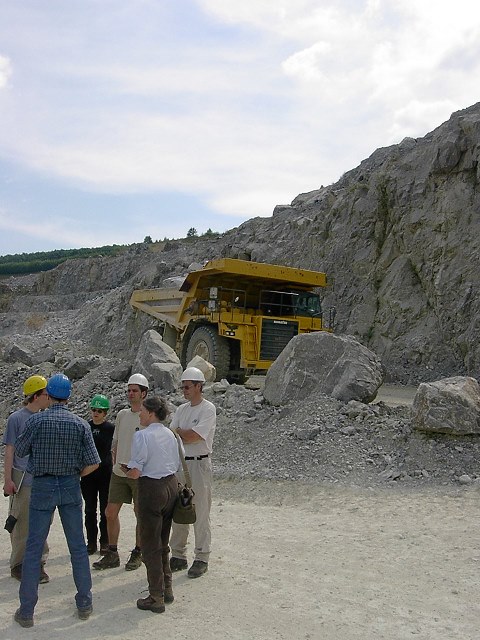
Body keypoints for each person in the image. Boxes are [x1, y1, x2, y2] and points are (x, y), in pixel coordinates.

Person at [13, 373, 100, 628]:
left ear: (48, 395)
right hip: (70, 485)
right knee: (77, 547)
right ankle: (84, 602)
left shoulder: (35, 422)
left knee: (33, 547)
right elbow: (94, 462)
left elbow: (19, 451)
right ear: (69, 397)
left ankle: (27, 611)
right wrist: (75, 474)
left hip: (42, 485)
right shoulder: (80, 424)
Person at [122, 396, 181, 613]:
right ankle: (166, 587)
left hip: (152, 488)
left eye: (143, 411)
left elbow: (136, 470)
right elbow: (175, 462)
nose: (139, 413)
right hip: (171, 485)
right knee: (162, 541)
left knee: (149, 544)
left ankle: (156, 596)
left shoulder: (142, 436)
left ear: (151, 413)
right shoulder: (170, 434)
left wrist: (126, 470)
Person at [93, 373, 149, 571]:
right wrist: (117, 463)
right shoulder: (123, 415)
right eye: (129, 390)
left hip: (139, 474)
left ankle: (138, 552)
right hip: (119, 472)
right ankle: (112, 553)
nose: (130, 394)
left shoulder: (148, 417)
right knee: (110, 512)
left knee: (140, 513)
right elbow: (115, 442)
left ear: (144, 393)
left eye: (134, 390)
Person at [2, 375, 51, 584]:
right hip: (22, 478)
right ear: (36, 396)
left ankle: (38, 561)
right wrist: (7, 480)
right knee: (21, 523)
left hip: (42, 477)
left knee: (42, 521)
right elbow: (9, 451)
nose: (49, 398)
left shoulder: (46, 417)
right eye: (46, 394)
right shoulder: (16, 419)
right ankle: (18, 564)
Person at [169, 366, 216, 578]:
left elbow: (194, 436)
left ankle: (202, 556)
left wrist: (180, 433)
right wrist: (181, 433)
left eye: (187, 387)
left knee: (200, 510)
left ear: (198, 386)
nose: (184, 390)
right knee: (179, 508)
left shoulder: (208, 409)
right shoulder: (181, 410)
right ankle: (178, 554)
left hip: (199, 464)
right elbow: (173, 435)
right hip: (181, 463)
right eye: (183, 387)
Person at [81, 394, 115, 555]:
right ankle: (91, 542)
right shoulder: (85, 427)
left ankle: (105, 542)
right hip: (88, 475)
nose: (96, 413)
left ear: (105, 413)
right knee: (89, 510)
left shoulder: (110, 429)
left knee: (105, 510)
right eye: (94, 410)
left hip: (105, 474)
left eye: (99, 411)